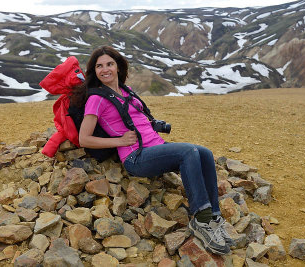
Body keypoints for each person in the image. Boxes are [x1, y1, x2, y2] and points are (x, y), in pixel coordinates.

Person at [72, 45, 233, 255]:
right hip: (136, 156)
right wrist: (119, 141)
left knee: (204, 152)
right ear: (94, 70)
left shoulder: (126, 91)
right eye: (99, 66)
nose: (105, 69)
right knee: (188, 152)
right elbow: (84, 138)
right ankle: (201, 221)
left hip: (156, 147)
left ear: (118, 67)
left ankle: (213, 217)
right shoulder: (96, 99)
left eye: (109, 64)